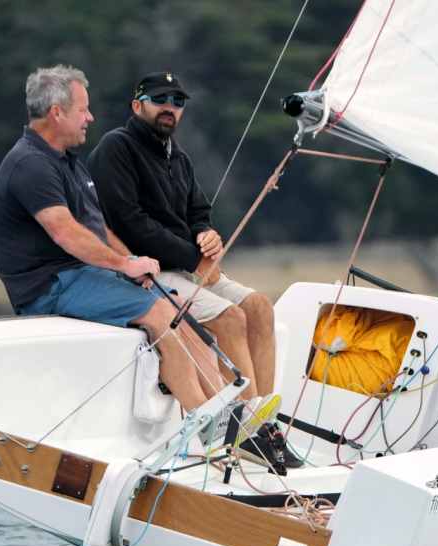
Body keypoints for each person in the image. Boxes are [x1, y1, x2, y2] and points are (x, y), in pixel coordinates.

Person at [87, 71, 301, 468]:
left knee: (259, 307)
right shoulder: (116, 148)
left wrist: (207, 234)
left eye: (178, 102)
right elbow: (129, 222)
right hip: (146, 271)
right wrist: (193, 257)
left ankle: (262, 425)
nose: (170, 108)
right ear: (138, 105)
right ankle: (242, 430)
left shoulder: (177, 156)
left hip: (189, 267)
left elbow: (199, 211)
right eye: (160, 99)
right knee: (230, 316)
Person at [0, 64, 220, 413]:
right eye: (83, 109)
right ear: (56, 113)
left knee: (175, 305)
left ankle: (228, 412)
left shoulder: (68, 162)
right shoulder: (30, 164)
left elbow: (99, 229)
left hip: (81, 276)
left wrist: (134, 266)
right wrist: (124, 265)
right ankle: (206, 417)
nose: (91, 118)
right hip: (48, 287)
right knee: (161, 313)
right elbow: (66, 233)